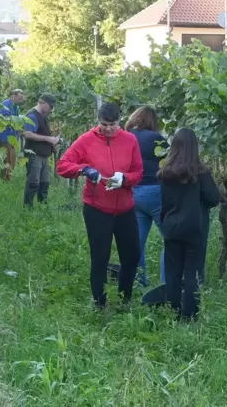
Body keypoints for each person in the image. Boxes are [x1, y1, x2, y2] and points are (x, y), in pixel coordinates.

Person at [57, 102, 143, 308]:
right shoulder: (86, 140)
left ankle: (125, 299)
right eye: (104, 124)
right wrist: (84, 169)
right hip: (97, 209)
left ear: (119, 121)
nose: (108, 129)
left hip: (124, 208)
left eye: (112, 124)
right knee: (100, 257)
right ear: (98, 121)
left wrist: (124, 179)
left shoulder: (130, 140)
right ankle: (99, 303)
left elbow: (139, 173)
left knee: (131, 256)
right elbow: (63, 165)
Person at [158, 128, 220, 320]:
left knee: (173, 271)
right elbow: (214, 198)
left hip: (172, 226)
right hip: (195, 227)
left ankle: (174, 310)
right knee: (192, 272)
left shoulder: (165, 172)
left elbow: (165, 202)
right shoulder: (200, 172)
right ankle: (191, 315)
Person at [126, 106, 167, 287]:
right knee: (170, 239)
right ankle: (167, 283)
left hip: (133, 192)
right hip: (155, 191)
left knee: (137, 242)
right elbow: (169, 162)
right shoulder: (156, 138)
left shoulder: (125, 137)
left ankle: (140, 282)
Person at [23, 94, 60, 207]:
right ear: (43, 102)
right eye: (50, 106)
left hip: (43, 154)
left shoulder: (43, 115)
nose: (51, 109)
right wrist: (48, 139)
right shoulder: (32, 115)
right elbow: (27, 134)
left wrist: (53, 143)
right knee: (33, 182)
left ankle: (43, 206)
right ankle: (28, 208)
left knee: (45, 182)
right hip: (34, 154)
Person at [0, 88, 25, 181]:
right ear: (13, 96)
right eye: (20, 98)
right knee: (7, 158)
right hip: (4, 137)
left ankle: (8, 177)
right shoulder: (5, 105)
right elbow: (4, 120)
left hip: (12, 137)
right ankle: (4, 179)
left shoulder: (16, 106)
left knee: (12, 158)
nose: (21, 100)